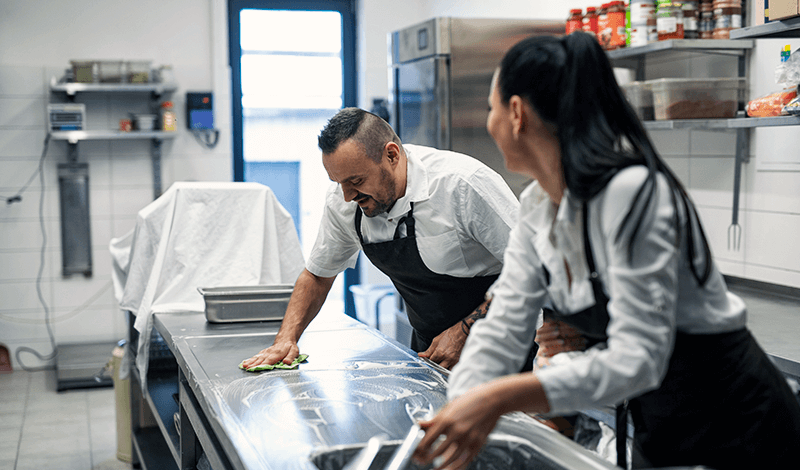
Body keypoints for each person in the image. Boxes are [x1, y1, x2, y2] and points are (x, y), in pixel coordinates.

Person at [412, 32, 800, 470]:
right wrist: (459, 406)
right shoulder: (539, 208)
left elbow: (638, 359)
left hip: (738, 422)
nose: (489, 121)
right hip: (661, 421)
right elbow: (503, 326)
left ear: (516, 114)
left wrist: (497, 398)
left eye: (491, 108)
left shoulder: (633, 193)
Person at [241, 107, 520, 371]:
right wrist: (286, 340)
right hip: (432, 350)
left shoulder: (462, 184)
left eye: (357, 181)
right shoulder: (345, 201)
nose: (349, 195)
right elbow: (318, 276)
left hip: (505, 344)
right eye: (339, 183)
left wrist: (465, 331)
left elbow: (536, 269)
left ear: (392, 155)